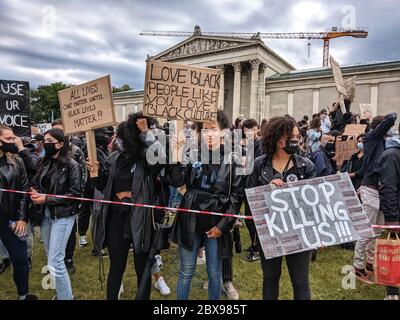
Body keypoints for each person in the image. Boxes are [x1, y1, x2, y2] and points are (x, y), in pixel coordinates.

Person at [90, 112, 166, 300]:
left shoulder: (147, 160)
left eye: (124, 138)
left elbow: (160, 156)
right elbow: (103, 186)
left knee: (142, 268)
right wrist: (94, 173)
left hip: (140, 218)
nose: (120, 141)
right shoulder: (114, 158)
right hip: (117, 218)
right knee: (116, 266)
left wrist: (146, 132)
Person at [170, 111, 244, 300]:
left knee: (214, 273)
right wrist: (176, 158)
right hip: (191, 218)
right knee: (186, 271)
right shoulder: (191, 154)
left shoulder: (233, 159)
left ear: (223, 132)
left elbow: (236, 198)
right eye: (205, 130)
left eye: (213, 129)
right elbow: (178, 181)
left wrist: (222, 226)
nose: (209, 134)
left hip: (216, 221)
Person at [246, 116, 316, 300]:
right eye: (292, 137)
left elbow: (315, 204)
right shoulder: (259, 165)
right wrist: (266, 191)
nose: (297, 140)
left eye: (297, 136)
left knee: (301, 282)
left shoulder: (306, 166)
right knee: (270, 279)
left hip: (300, 232)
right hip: (270, 232)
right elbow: (249, 198)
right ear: (279, 140)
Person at [30, 128, 81, 300]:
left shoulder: (72, 165)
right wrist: (35, 191)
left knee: (55, 262)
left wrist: (47, 199)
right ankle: (61, 294)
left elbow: (74, 195)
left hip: (63, 216)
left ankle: (66, 297)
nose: (45, 143)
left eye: (49, 141)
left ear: (60, 144)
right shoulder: (44, 162)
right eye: (44, 140)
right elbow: (40, 184)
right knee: (51, 258)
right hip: (45, 216)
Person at [353, 112, 397, 282]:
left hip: (381, 191)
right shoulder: (372, 138)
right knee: (366, 230)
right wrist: (390, 117)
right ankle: (357, 266)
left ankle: (370, 263)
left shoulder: (385, 144)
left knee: (376, 231)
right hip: (371, 189)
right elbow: (391, 118)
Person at [0, 125, 36, 300]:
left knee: (21, 259)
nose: (13, 141)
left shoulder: (17, 161)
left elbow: (24, 191)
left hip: (11, 218)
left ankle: (23, 295)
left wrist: (22, 219)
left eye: (13, 138)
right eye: (8, 139)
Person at [51, 118, 87, 273]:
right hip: (52, 199)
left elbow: (83, 174)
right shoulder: (49, 152)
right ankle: (54, 258)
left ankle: (68, 259)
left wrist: (78, 197)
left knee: (70, 230)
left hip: (70, 199)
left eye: (60, 131)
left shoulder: (75, 151)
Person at [378, 126, 400, 300]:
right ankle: (392, 293)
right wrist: (392, 219)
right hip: (397, 214)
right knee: (395, 256)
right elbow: (388, 188)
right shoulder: (392, 155)